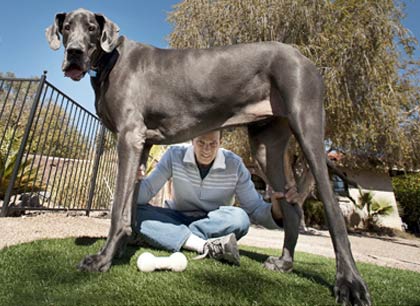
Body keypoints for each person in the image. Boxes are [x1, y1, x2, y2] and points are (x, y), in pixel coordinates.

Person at [135, 130, 288, 266]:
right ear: (192, 140)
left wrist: (276, 211)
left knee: (240, 218)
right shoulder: (173, 155)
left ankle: (166, 235)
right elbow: (146, 192)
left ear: (220, 142)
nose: (206, 150)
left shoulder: (234, 165)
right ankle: (203, 246)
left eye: (213, 144)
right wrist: (134, 182)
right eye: (201, 142)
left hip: (212, 223)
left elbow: (255, 209)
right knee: (133, 210)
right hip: (176, 217)